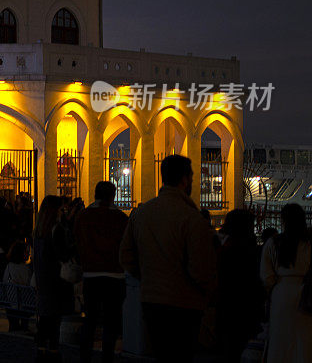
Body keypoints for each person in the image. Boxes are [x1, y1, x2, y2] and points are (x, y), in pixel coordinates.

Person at [119, 155, 217, 363]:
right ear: (184, 180)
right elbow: (200, 269)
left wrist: (147, 277)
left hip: (152, 300)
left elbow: (125, 255)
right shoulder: (191, 218)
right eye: (191, 176)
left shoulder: (141, 213)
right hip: (185, 304)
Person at [73, 181, 129, 363]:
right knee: (111, 322)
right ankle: (107, 357)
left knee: (90, 319)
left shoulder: (84, 216)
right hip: (116, 275)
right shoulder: (121, 218)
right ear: (113, 196)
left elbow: (76, 243)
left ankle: (85, 357)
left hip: (91, 274)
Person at [260, 203, 312, 362]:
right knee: (304, 338)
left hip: (280, 293)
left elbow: (266, 276)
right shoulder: (308, 244)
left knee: (280, 338)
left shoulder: (273, 243)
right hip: (306, 292)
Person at [216, 209, 263, 362]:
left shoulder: (224, 246)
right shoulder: (249, 247)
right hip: (246, 302)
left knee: (229, 345)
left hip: (226, 299)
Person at [33, 195, 72, 362]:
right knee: (55, 318)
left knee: (45, 317)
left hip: (43, 278)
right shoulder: (57, 230)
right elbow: (63, 253)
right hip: (56, 278)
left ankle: (41, 349)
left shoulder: (38, 230)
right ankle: (54, 350)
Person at [3, 240, 32, 332]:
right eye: (27, 252)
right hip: (25, 305)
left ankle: (13, 328)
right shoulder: (26, 269)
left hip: (11, 304)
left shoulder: (9, 267)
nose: (28, 254)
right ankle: (24, 328)